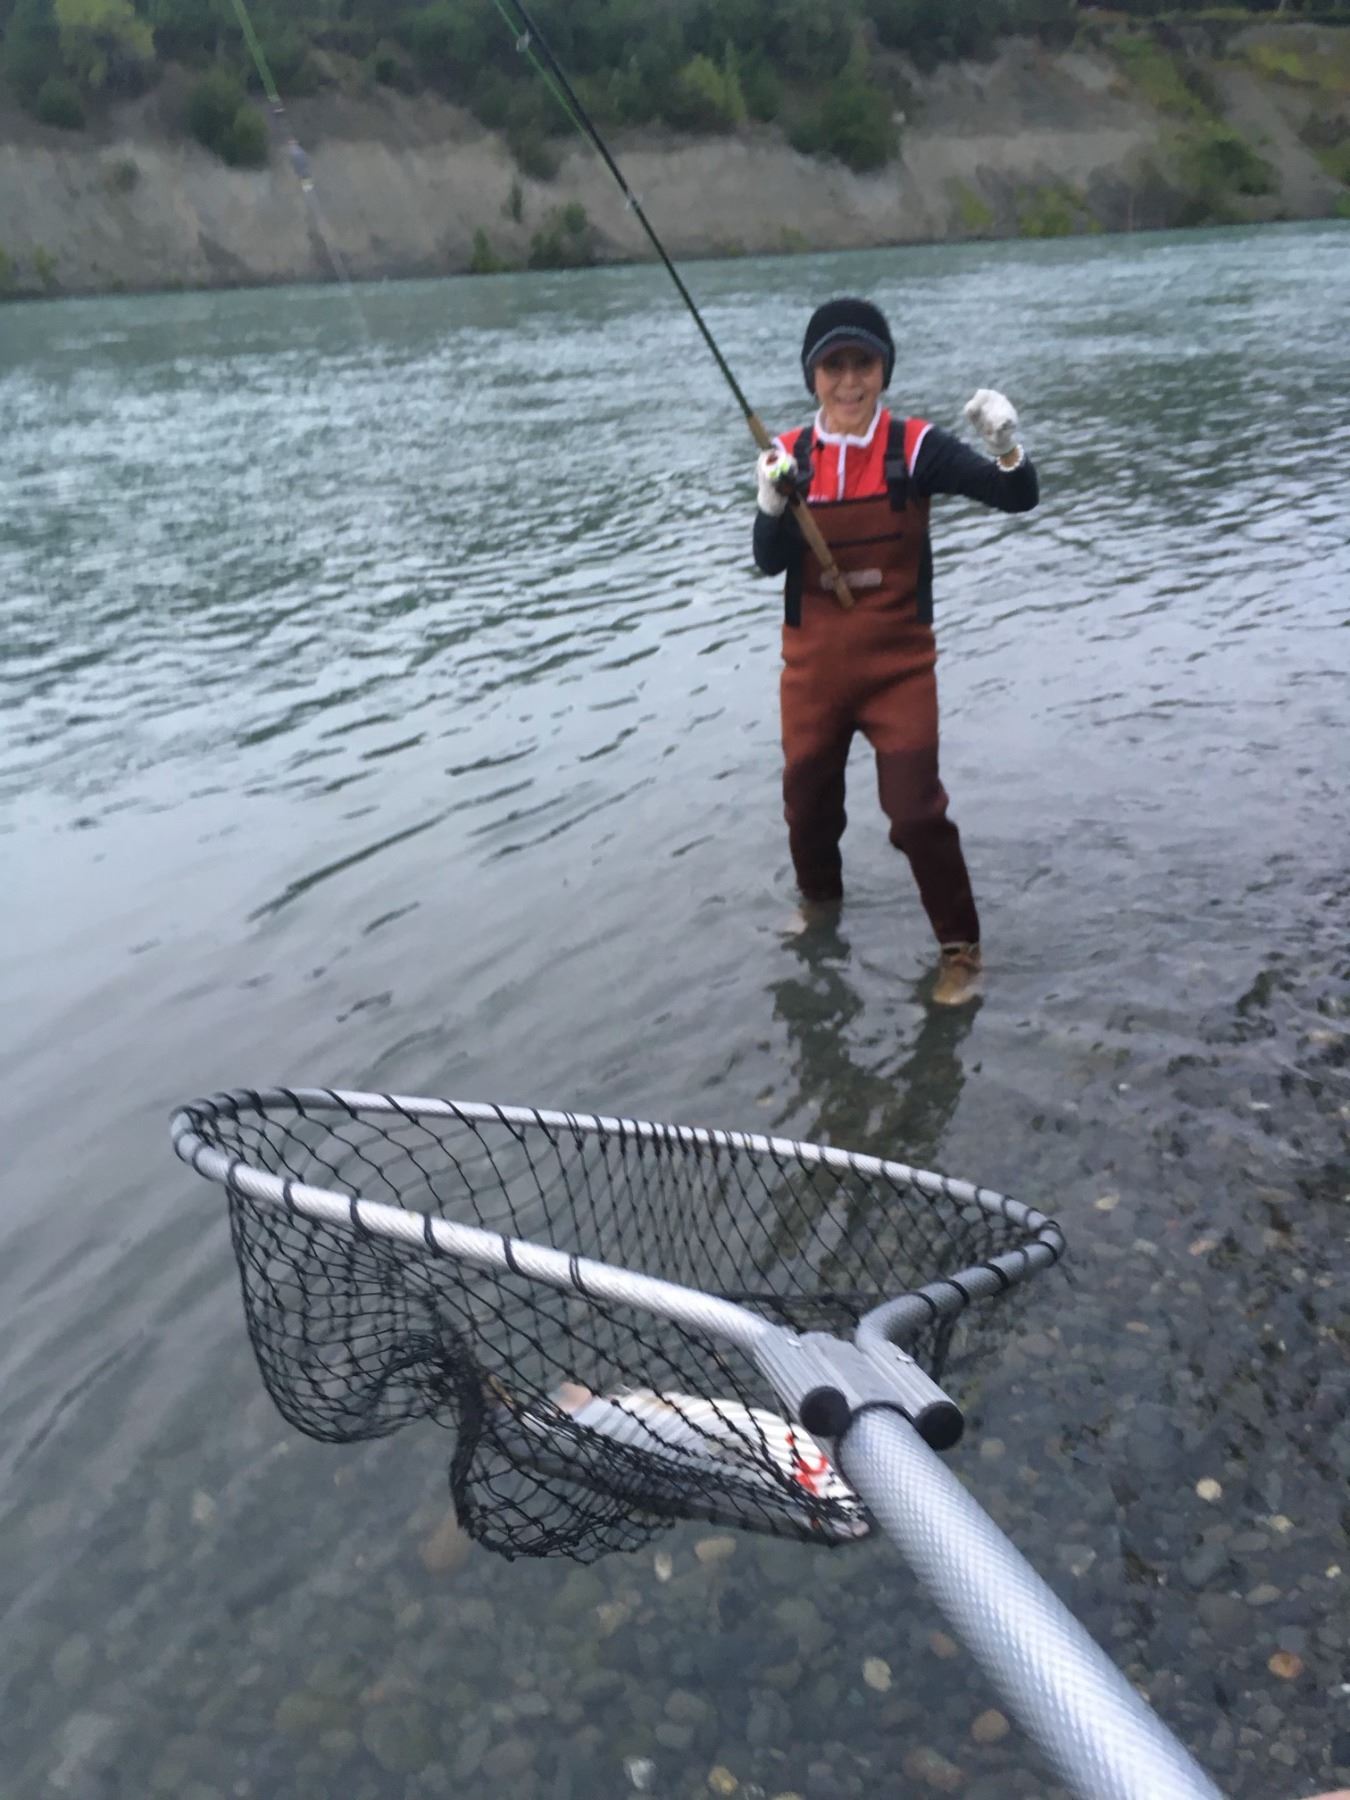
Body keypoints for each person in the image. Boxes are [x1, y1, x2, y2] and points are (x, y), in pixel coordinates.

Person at [752, 296, 1039, 1006]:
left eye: (864, 364)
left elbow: (1017, 497)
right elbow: (768, 561)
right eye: (834, 366)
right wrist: (770, 503)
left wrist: (1007, 447)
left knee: (916, 816)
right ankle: (820, 905)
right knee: (806, 808)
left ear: (884, 371)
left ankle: (961, 951)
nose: (849, 381)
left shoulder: (916, 448)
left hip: (899, 673)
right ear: (813, 377)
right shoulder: (788, 455)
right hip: (812, 676)